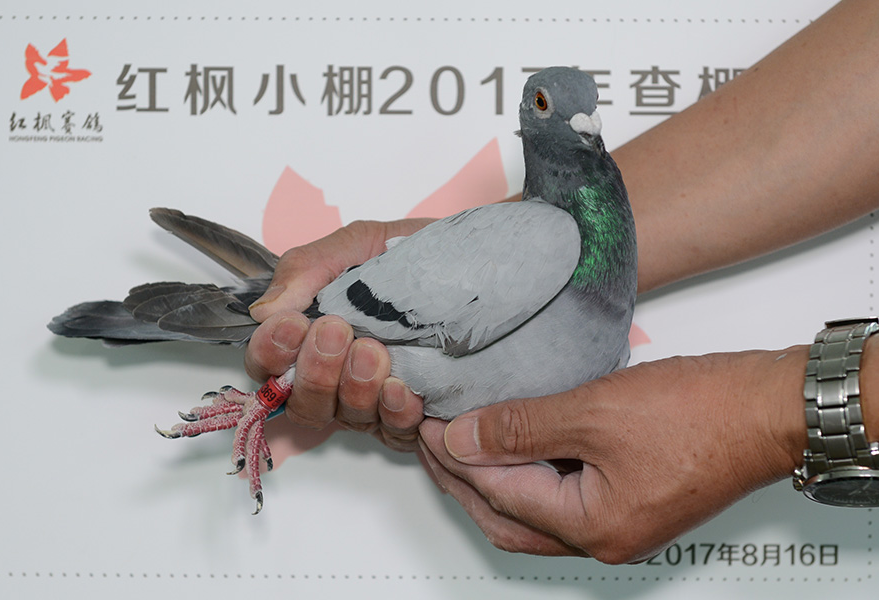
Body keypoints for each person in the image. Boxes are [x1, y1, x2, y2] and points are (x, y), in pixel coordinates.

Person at [244, 0, 879, 563]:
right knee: (323, 350)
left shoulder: (593, 306)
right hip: (381, 317)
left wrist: (764, 417)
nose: (584, 121)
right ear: (529, 115)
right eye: (548, 105)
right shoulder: (541, 245)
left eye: (588, 107)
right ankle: (260, 389)